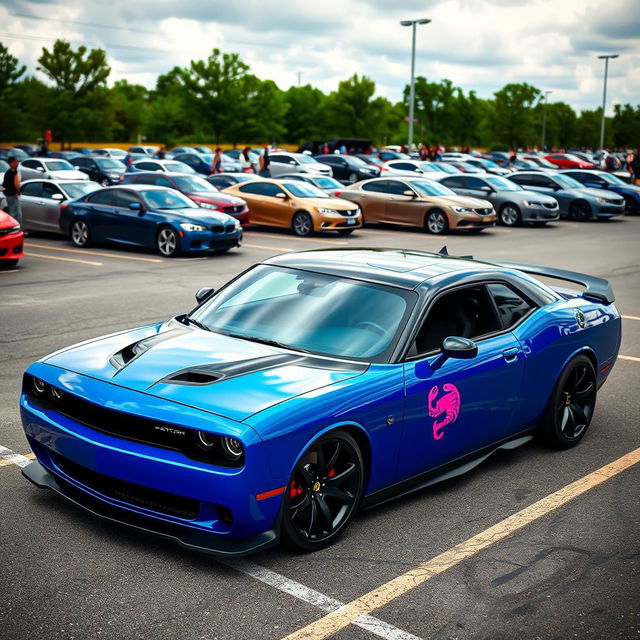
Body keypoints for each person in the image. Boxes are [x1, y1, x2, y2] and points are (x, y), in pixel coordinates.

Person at [2, 156, 22, 225]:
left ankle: (18, 229)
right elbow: (6, 186)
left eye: (17, 162)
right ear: (11, 163)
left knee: (17, 213)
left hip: (13, 195)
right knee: (15, 214)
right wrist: (14, 193)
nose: (17, 163)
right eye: (15, 162)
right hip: (12, 196)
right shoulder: (9, 173)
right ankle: (17, 229)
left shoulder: (14, 171)